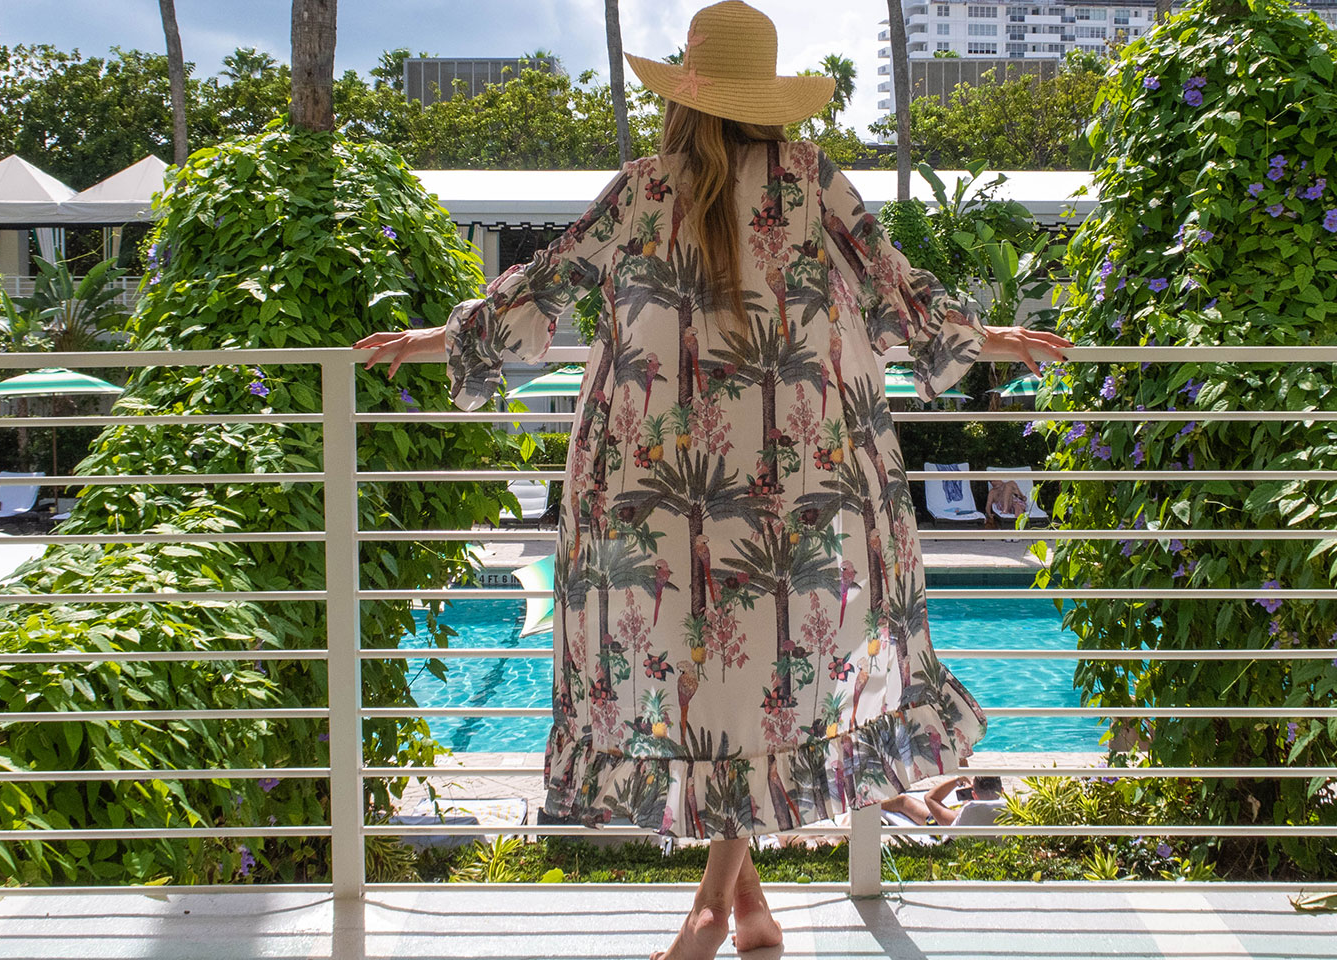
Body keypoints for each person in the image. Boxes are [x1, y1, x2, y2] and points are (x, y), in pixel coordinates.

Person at [357, 4, 1073, 956]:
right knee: (753, 675)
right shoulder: (812, 181)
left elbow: (548, 283)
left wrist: (440, 340)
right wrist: (988, 338)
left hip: (659, 481)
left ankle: (711, 908)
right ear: (766, 101)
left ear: (685, 98)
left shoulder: (648, 188)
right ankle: (743, 907)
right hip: (801, 479)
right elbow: (899, 290)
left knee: (708, 669)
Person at [880, 774, 1004, 827]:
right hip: (979, 814)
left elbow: (930, 798)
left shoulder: (960, 816)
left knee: (903, 800)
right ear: (1002, 791)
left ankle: (873, 805)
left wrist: (958, 780)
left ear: (974, 794)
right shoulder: (1008, 811)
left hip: (937, 823)